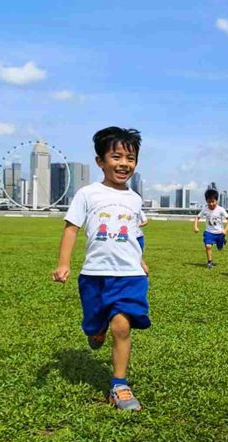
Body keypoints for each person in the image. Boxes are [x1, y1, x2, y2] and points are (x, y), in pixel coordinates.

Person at [52, 126, 148, 411]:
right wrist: (63, 263)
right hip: (94, 274)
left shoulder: (135, 199)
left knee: (122, 325)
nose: (124, 164)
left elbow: (136, 233)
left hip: (129, 275)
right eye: (116, 156)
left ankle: (119, 385)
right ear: (100, 161)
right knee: (96, 325)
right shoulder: (87, 194)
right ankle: (96, 330)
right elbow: (71, 230)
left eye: (130, 158)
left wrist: (141, 259)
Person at [193, 189, 228, 269]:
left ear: (216, 200)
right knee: (208, 246)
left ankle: (223, 241)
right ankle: (209, 262)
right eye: (209, 202)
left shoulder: (221, 209)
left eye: (213, 201)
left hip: (220, 233)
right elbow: (197, 217)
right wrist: (195, 227)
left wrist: (225, 230)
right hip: (209, 232)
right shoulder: (205, 209)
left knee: (220, 248)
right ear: (206, 201)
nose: (211, 204)